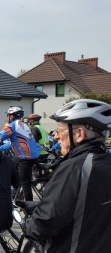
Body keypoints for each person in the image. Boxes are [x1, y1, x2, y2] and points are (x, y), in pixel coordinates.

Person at [26, 99, 111, 252]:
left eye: (60, 130)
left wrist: (31, 224)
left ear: (79, 134)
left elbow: (45, 223)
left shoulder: (74, 167)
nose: (57, 137)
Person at [0, 107, 41, 201]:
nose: (6, 118)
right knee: (10, 163)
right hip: (34, 154)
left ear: (12, 116)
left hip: (26, 157)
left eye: (7, 116)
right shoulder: (23, 124)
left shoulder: (12, 125)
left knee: (25, 183)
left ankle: (29, 207)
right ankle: (15, 188)